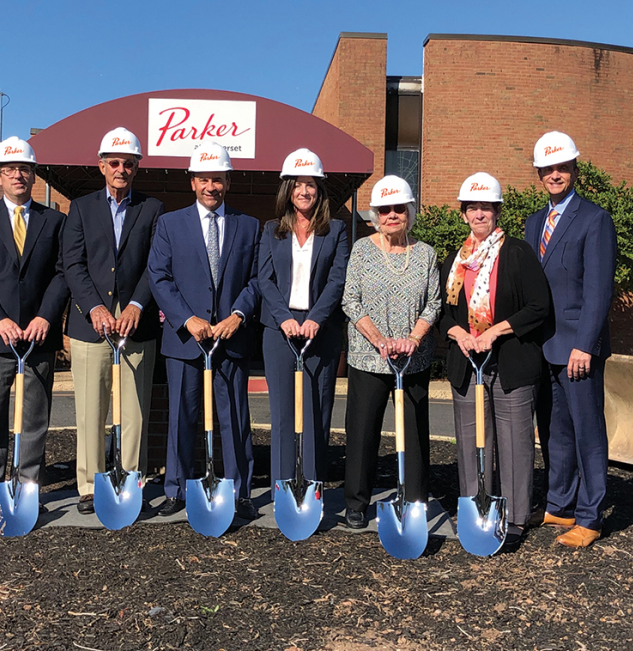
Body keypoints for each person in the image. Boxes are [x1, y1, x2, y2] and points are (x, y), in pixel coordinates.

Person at [147, 141, 260, 521]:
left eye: (218, 179)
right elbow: (159, 277)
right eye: (204, 179)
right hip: (186, 341)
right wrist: (186, 318)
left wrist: (238, 315)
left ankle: (240, 492)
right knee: (182, 416)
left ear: (228, 182)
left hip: (231, 338)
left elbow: (257, 279)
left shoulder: (249, 226)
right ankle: (176, 489)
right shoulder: (170, 224)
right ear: (192, 181)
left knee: (236, 420)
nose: (211, 186)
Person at [438, 172, 550, 545]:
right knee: (472, 444)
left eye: (486, 207)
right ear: (464, 214)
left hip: (511, 364)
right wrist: (458, 334)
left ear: (497, 211)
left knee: (515, 444)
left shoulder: (517, 253)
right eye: (472, 208)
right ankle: (477, 511)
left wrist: (495, 331)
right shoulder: (455, 261)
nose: (479, 214)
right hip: (467, 365)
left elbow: (539, 306)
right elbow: (443, 313)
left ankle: (515, 518)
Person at [0, 137, 69, 521]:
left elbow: (62, 274)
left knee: (34, 419)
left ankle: (27, 488)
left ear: (34, 175)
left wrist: (46, 316)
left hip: (38, 336)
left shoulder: (54, 221)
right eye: (10, 169)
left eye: (24, 169)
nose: (18, 175)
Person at [62, 127, 164, 514]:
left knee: (134, 411)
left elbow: (156, 263)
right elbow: (72, 264)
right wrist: (94, 307)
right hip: (91, 325)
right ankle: (90, 486)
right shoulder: (81, 207)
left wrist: (137, 304)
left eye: (129, 163)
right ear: (102, 165)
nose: (122, 169)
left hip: (137, 325)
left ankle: (130, 482)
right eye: (115, 162)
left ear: (137, 167)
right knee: (91, 411)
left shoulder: (152, 209)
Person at [524, 131, 617, 549]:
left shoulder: (595, 220)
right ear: (539, 174)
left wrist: (586, 344)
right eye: (548, 169)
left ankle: (590, 516)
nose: (555, 175)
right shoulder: (533, 223)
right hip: (544, 347)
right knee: (554, 432)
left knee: (587, 433)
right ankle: (560, 504)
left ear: (575, 170)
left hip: (578, 348)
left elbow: (598, 290)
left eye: (563, 167)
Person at [341, 175, 441, 529]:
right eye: (385, 210)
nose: (392, 215)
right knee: (362, 431)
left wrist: (413, 338)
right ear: (376, 215)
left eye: (399, 208)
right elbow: (350, 300)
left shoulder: (425, 254)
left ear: (409, 212)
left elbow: (434, 303)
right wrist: (379, 339)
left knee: (413, 434)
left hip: (413, 360)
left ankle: (414, 500)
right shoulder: (362, 250)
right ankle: (356, 502)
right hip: (368, 357)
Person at [259, 149, 349, 486]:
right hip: (279, 330)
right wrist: (283, 317)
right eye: (297, 185)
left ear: (319, 190)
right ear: (288, 190)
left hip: (320, 330)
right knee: (283, 412)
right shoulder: (272, 230)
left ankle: (312, 487)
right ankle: (283, 487)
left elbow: (338, 279)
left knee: (316, 411)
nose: (304, 191)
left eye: (310, 185)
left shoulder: (336, 230)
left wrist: (317, 318)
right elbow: (264, 279)